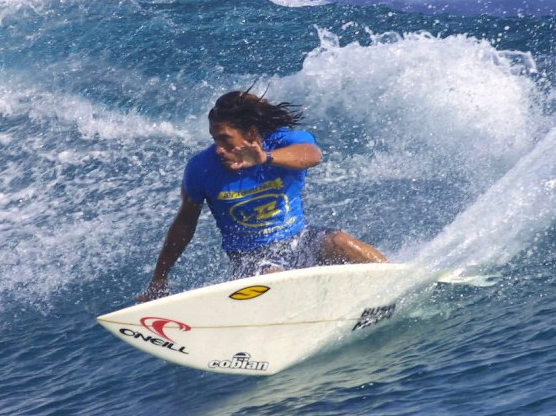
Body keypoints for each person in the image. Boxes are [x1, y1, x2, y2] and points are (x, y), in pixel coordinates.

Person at [137, 90, 386, 302]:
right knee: (272, 278)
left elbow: (312, 156)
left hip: (300, 239)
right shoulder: (201, 168)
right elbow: (184, 224)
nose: (220, 149)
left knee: (340, 241)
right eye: (215, 139)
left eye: (226, 139)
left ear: (251, 134)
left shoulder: (283, 143)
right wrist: (160, 278)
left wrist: (264, 158)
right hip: (251, 257)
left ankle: (391, 285)